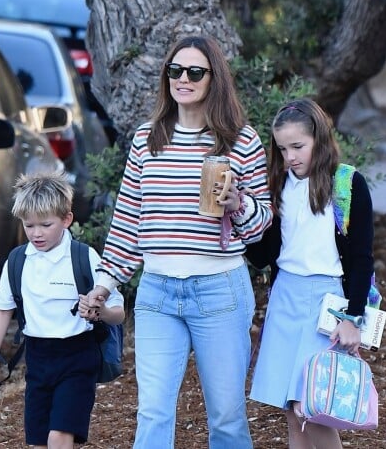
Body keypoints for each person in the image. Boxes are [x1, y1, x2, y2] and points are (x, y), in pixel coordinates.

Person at [86, 35, 273, 448]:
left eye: (194, 72)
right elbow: (129, 221)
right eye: (175, 70)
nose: (182, 79)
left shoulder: (241, 141)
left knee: (226, 416)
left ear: (214, 79)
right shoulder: (146, 139)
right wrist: (104, 285)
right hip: (157, 291)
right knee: (152, 412)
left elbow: (260, 229)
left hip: (219, 289)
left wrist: (238, 204)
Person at [247, 98, 375, 449]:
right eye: (283, 148)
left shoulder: (347, 184)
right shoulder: (277, 186)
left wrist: (353, 317)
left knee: (313, 407)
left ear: (319, 138)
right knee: (292, 411)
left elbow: (362, 259)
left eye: (298, 146)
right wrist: (239, 215)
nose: (290, 157)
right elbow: (262, 256)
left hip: (327, 302)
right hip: (285, 297)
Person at [0, 171, 125, 449]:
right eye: (29, 225)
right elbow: (2, 310)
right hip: (37, 359)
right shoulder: (17, 261)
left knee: (59, 436)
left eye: (45, 225)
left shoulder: (83, 257)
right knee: (38, 442)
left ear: (67, 219)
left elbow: (117, 311)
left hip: (78, 357)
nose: (36, 233)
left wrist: (100, 311)